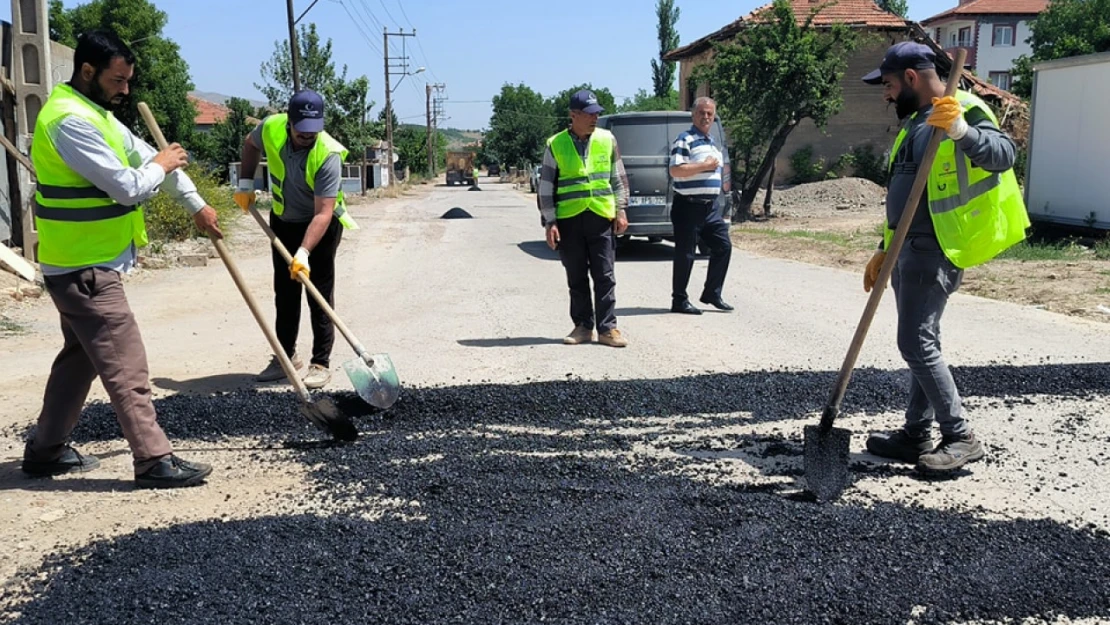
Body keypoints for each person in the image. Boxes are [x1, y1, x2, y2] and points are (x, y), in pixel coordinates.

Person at [23, 29, 221, 488]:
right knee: (126, 363)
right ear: (87, 71)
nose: (125, 89)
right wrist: (163, 163)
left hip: (87, 262)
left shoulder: (99, 115)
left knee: (81, 359)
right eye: (118, 80)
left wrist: (198, 207)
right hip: (84, 267)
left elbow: (146, 157)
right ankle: (153, 459)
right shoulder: (69, 122)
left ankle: (45, 450)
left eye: (128, 81)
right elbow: (129, 184)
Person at [861, 42, 1029, 474]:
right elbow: (903, 190)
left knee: (915, 341)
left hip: (937, 246)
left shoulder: (963, 108)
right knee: (924, 341)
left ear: (912, 79)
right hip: (905, 248)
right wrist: (884, 248)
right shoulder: (914, 123)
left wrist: (961, 131)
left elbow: (1004, 155)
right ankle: (916, 433)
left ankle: (960, 437)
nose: (886, 94)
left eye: (890, 85)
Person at [235, 90, 359, 389]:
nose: (308, 136)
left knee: (318, 293)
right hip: (283, 221)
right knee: (285, 293)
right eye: (302, 130)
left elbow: (324, 212)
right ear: (290, 122)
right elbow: (250, 145)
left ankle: (320, 363)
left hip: (321, 227)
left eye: (313, 130)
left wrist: (304, 252)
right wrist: (246, 182)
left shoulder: (327, 155)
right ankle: (285, 358)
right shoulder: (270, 127)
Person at [539, 90, 630, 348]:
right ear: (573, 115)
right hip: (569, 220)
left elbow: (618, 178)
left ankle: (607, 329)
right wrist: (550, 222)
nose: (595, 118)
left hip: (601, 216)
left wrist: (621, 210)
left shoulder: (607, 139)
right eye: (590, 114)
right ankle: (582, 326)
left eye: (597, 113)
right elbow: (546, 187)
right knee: (576, 276)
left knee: (605, 275)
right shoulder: (555, 144)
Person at [667, 96, 734, 315]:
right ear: (693, 115)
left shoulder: (713, 142)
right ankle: (679, 300)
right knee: (686, 254)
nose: (705, 117)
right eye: (701, 113)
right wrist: (702, 166)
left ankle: (712, 293)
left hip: (710, 207)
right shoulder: (684, 139)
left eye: (709, 113)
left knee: (723, 246)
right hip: (688, 206)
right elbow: (675, 170)